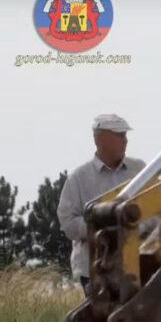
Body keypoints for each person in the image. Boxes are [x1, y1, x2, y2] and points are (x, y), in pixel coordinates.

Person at [57, 114, 146, 294]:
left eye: (125, 135)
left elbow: (157, 211)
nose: (126, 140)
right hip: (95, 270)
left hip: (138, 265)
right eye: (120, 135)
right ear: (101, 140)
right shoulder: (79, 178)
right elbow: (67, 222)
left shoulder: (140, 170)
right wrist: (100, 227)